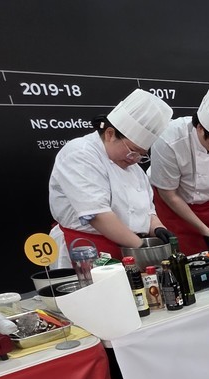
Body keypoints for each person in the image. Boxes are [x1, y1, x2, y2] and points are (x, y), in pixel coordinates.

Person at [48, 89, 172, 259]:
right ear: (110, 134)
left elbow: (147, 211)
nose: (135, 159)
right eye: (133, 150)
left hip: (127, 247)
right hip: (85, 248)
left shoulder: (134, 168)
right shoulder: (79, 154)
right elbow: (97, 215)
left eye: (141, 155)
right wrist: (142, 248)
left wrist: (158, 228)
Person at [148, 82, 209, 256]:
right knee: (185, 260)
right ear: (200, 128)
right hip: (175, 207)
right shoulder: (170, 141)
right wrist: (204, 230)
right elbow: (169, 194)